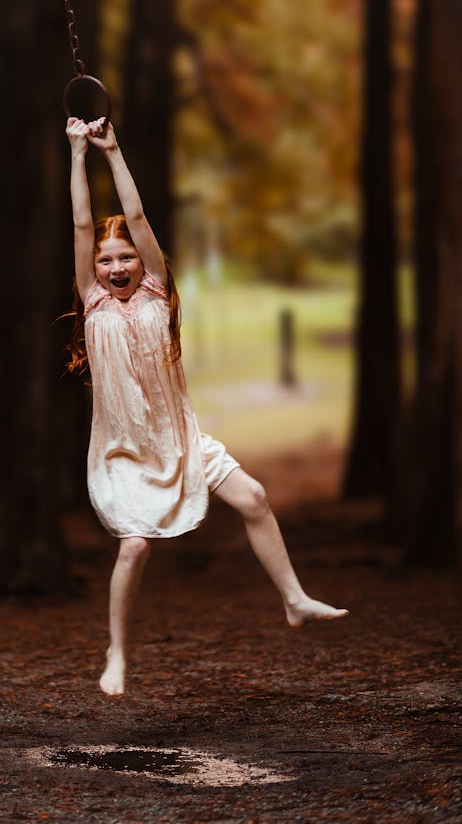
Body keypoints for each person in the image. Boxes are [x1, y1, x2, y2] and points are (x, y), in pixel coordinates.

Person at [66, 116, 348, 697]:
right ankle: (116, 653)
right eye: (106, 260)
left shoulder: (157, 292)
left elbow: (138, 218)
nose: (116, 267)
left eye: (124, 258)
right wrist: (76, 154)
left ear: (142, 263)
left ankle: (294, 599)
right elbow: (78, 221)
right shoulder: (92, 302)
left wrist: (113, 151)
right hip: (124, 452)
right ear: (93, 269)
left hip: (180, 438)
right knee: (135, 546)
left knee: (255, 497)